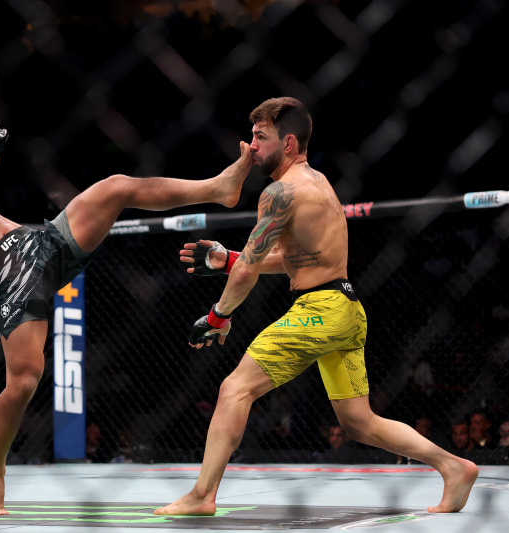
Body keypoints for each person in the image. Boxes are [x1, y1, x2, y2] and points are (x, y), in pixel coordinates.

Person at [0, 102, 252, 514]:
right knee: (24, 381)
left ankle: (217, 188)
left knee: (116, 186)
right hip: (11, 275)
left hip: (38, 243)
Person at [154, 97, 478, 516]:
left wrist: (219, 316)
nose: (251, 147)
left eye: (260, 137)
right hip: (346, 309)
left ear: (288, 142)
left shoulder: (279, 192)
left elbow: (250, 270)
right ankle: (453, 467)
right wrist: (228, 259)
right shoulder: (319, 183)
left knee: (235, 389)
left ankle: (202, 495)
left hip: (318, 311)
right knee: (359, 422)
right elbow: (293, 259)